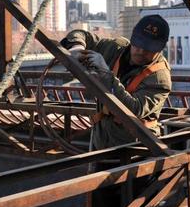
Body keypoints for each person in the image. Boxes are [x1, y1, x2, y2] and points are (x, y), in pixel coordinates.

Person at [60, 14, 171, 150]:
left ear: (160, 49)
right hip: (101, 140)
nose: (140, 51)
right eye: (138, 44)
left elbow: (133, 109)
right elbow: (81, 35)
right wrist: (77, 47)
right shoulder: (115, 48)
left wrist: (105, 73)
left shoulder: (160, 78)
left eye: (148, 49)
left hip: (136, 147)